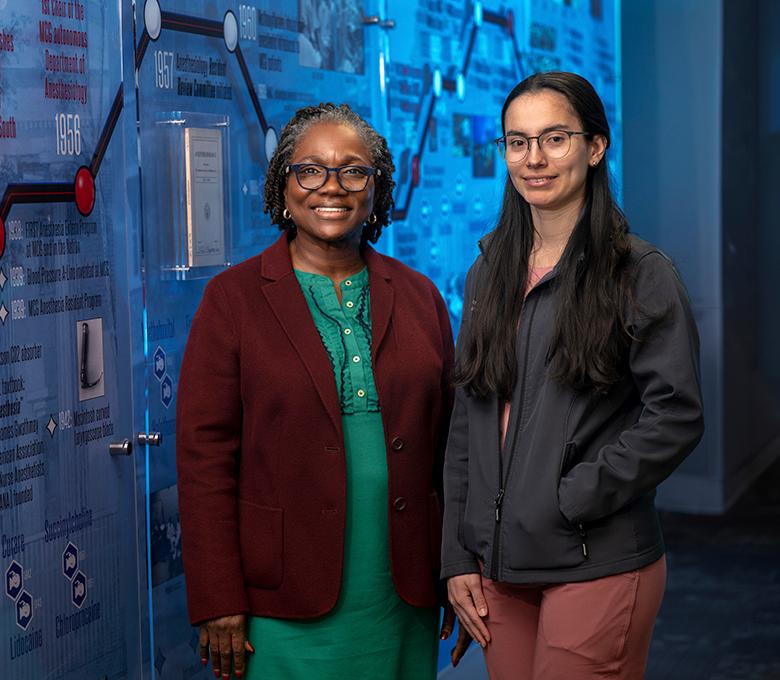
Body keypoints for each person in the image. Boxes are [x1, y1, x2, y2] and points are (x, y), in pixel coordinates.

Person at [176, 102, 466, 680]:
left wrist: (456, 567)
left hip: (401, 587)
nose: (331, 187)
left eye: (353, 171)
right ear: (283, 187)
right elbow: (203, 457)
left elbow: (453, 451)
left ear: (376, 192)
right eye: (310, 170)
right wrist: (217, 597)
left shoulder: (419, 296)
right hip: (281, 596)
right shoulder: (232, 300)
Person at [441, 71, 704, 680]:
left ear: (595, 146)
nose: (533, 159)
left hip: (595, 555)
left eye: (554, 138)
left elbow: (677, 415)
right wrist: (459, 550)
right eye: (517, 141)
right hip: (500, 566)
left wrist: (571, 498)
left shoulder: (639, 273)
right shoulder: (488, 275)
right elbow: (468, 426)